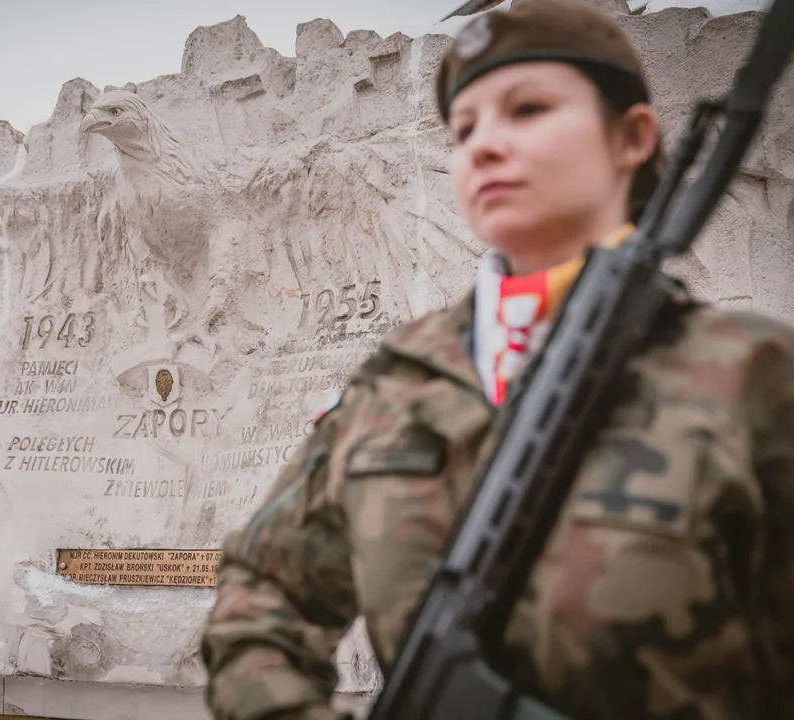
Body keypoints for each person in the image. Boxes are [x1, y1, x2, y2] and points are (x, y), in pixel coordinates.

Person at [199, 0, 794, 717]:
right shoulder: (395, 383)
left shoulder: (752, 377)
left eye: (528, 109)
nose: (483, 146)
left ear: (632, 137)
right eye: (465, 128)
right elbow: (263, 595)